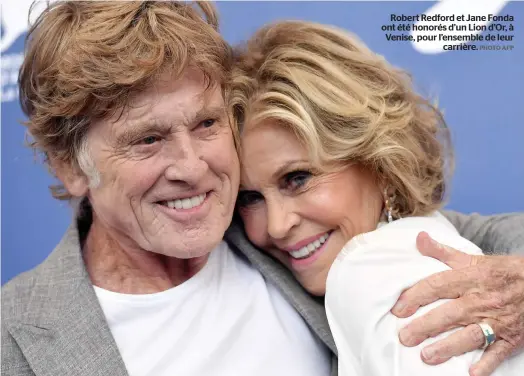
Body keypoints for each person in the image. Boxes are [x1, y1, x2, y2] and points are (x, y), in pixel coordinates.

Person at [1, 2, 522, 376]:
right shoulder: (15, 337)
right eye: (149, 139)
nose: (193, 166)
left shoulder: (314, 247)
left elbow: (483, 238)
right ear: (69, 165)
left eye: (206, 124)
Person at [228, 20, 524, 376]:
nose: (276, 226)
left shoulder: (383, 267)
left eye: (298, 179)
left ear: (379, 162)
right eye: (249, 198)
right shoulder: (226, 247)